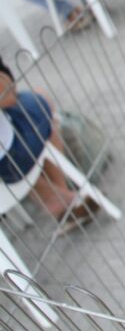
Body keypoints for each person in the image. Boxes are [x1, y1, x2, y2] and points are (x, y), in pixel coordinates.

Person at [0, 56, 97, 228]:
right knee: (40, 105)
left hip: (11, 155)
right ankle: (60, 200)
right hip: (9, 162)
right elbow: (8, 94)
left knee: (39, 99)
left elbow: (9, 93)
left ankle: (60, 196)